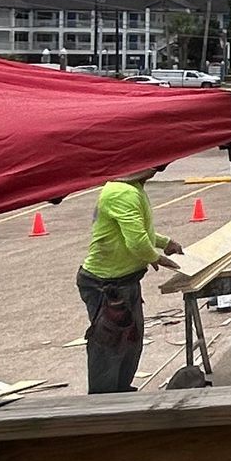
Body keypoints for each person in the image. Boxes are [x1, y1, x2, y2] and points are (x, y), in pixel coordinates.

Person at [76, 169, 181, 394]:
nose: (158, 170)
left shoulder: (132, 188)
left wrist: (165, 242)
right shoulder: (122, 192)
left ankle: (121, 392)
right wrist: (156, 257)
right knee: (109, 346)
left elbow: (139, 232)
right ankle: (104, 403)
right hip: (105, 284)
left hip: (125, 280)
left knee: (131, 343)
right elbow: (136, 242)